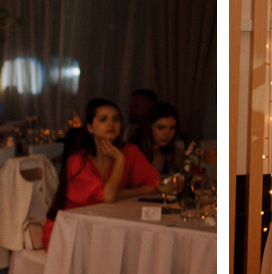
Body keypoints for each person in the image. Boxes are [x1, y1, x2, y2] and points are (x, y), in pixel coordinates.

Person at [42, 98, 159, 247]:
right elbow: (108, 197)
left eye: (116, 119)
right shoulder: (78, 160)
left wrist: (121, 194)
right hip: (70, 229)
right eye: (103, 119)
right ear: (90, 127)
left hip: (104, 225)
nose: (111, 124)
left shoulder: (129, 150)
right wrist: (119, 160)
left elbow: (155, 185)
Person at [131, 101, 190, 176]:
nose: (167, 134)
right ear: (149, 127)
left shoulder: (172, 152)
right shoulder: (135, 152)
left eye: (172, 128)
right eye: (160, 128)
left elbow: (188, 172)